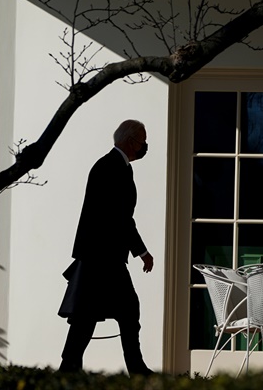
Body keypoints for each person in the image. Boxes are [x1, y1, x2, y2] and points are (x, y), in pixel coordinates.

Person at [57, 119, 154, 375]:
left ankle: (69, 366)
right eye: (143, 141)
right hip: (104, 257)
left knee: (88, 315)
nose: (145, 146)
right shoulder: (113, 168)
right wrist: (142, 252)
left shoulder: (111, 165)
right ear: (131, 141)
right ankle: (135, 368)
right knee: (125, 311)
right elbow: (121, 218)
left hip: (99, 256)